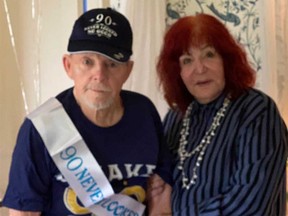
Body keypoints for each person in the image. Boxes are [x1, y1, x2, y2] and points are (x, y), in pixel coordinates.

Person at [2, 8, 172, 216]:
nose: (99, 75)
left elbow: (161, 193)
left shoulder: (144, 113)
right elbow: (24, 212)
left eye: (112, 63)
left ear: (128, 70)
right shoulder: (41, 128)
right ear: (68, 66)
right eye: (87, 62)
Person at [154, 13, 288, 215]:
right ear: (177, 72)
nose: (199, 69)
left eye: (209, 54)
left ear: (227, 59)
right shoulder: (176, 116)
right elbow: (159, 187)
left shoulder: (258, 110)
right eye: (187, 60)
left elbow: (250, 205)